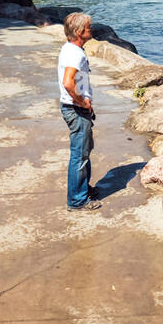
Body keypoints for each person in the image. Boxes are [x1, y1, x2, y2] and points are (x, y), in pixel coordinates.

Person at [58, 12, 100, 211]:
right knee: (79, 156)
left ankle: (83, 188)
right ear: (79, 31)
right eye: (88, 27)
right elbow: (68, 82)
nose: (91, 29)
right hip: (75, 109)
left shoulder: (71, 48)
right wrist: (82, 102)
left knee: (84, 151)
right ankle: (77, 200)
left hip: (75, 108)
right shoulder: (75, 53)